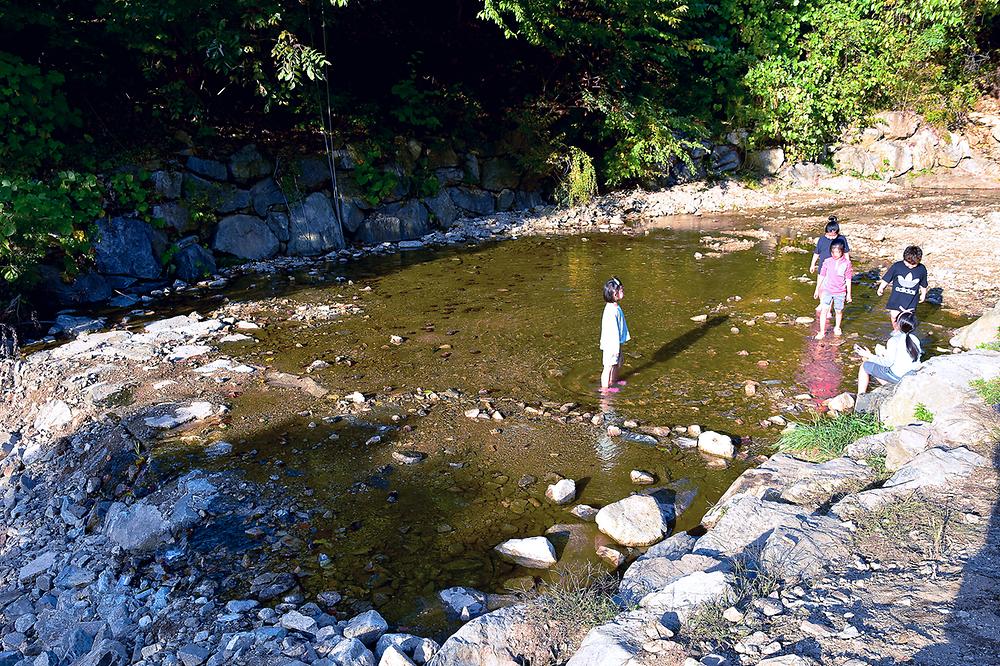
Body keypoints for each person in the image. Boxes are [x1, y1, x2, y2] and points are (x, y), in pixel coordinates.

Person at [854, 310, 922, 393]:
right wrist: (884, 353)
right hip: (911, 376)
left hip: (898, 376)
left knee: (865, 366)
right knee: (878, 366)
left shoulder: (893, 340)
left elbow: (887, 363)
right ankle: (892, 388)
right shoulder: (915, 339)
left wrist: (869, 355)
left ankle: (861, 396)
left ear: (897, 324)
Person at [878, 245, 928, 329]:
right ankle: (896, 330)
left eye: (914, 264)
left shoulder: (921, 269)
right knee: (894, 316)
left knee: (907, 320)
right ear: (904, 258)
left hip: (911, 299)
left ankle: (906, 333)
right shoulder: (897, 266)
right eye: (908, 264)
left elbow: (923, 283)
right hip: (896, 298)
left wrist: (923, 294)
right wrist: (881, 288)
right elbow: (887, 278)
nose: (911, 266)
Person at [813, 237, 852, 340]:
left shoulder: (847, 264)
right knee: (824, 310)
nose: (835, 254)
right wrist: (817, 289)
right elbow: (822, 275)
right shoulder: (827, 261)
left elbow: (848, 279)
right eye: (833, 252)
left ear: (842, 252)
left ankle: (837, 327)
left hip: (840, 291)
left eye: (837, 252)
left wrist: (849, 294)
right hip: (827, 290)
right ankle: (821, 332)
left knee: (838, 311)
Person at [600, 277, 630, 391]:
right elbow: (612, 331)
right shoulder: (611, 311)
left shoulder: (615, 307)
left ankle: (613, 381)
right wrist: (615, 349)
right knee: (608, 366)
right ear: (614, 293)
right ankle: (605, 390)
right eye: (621, 289)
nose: (623, 290)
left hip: (616, 342)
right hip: (611, 344)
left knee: (617, 363)